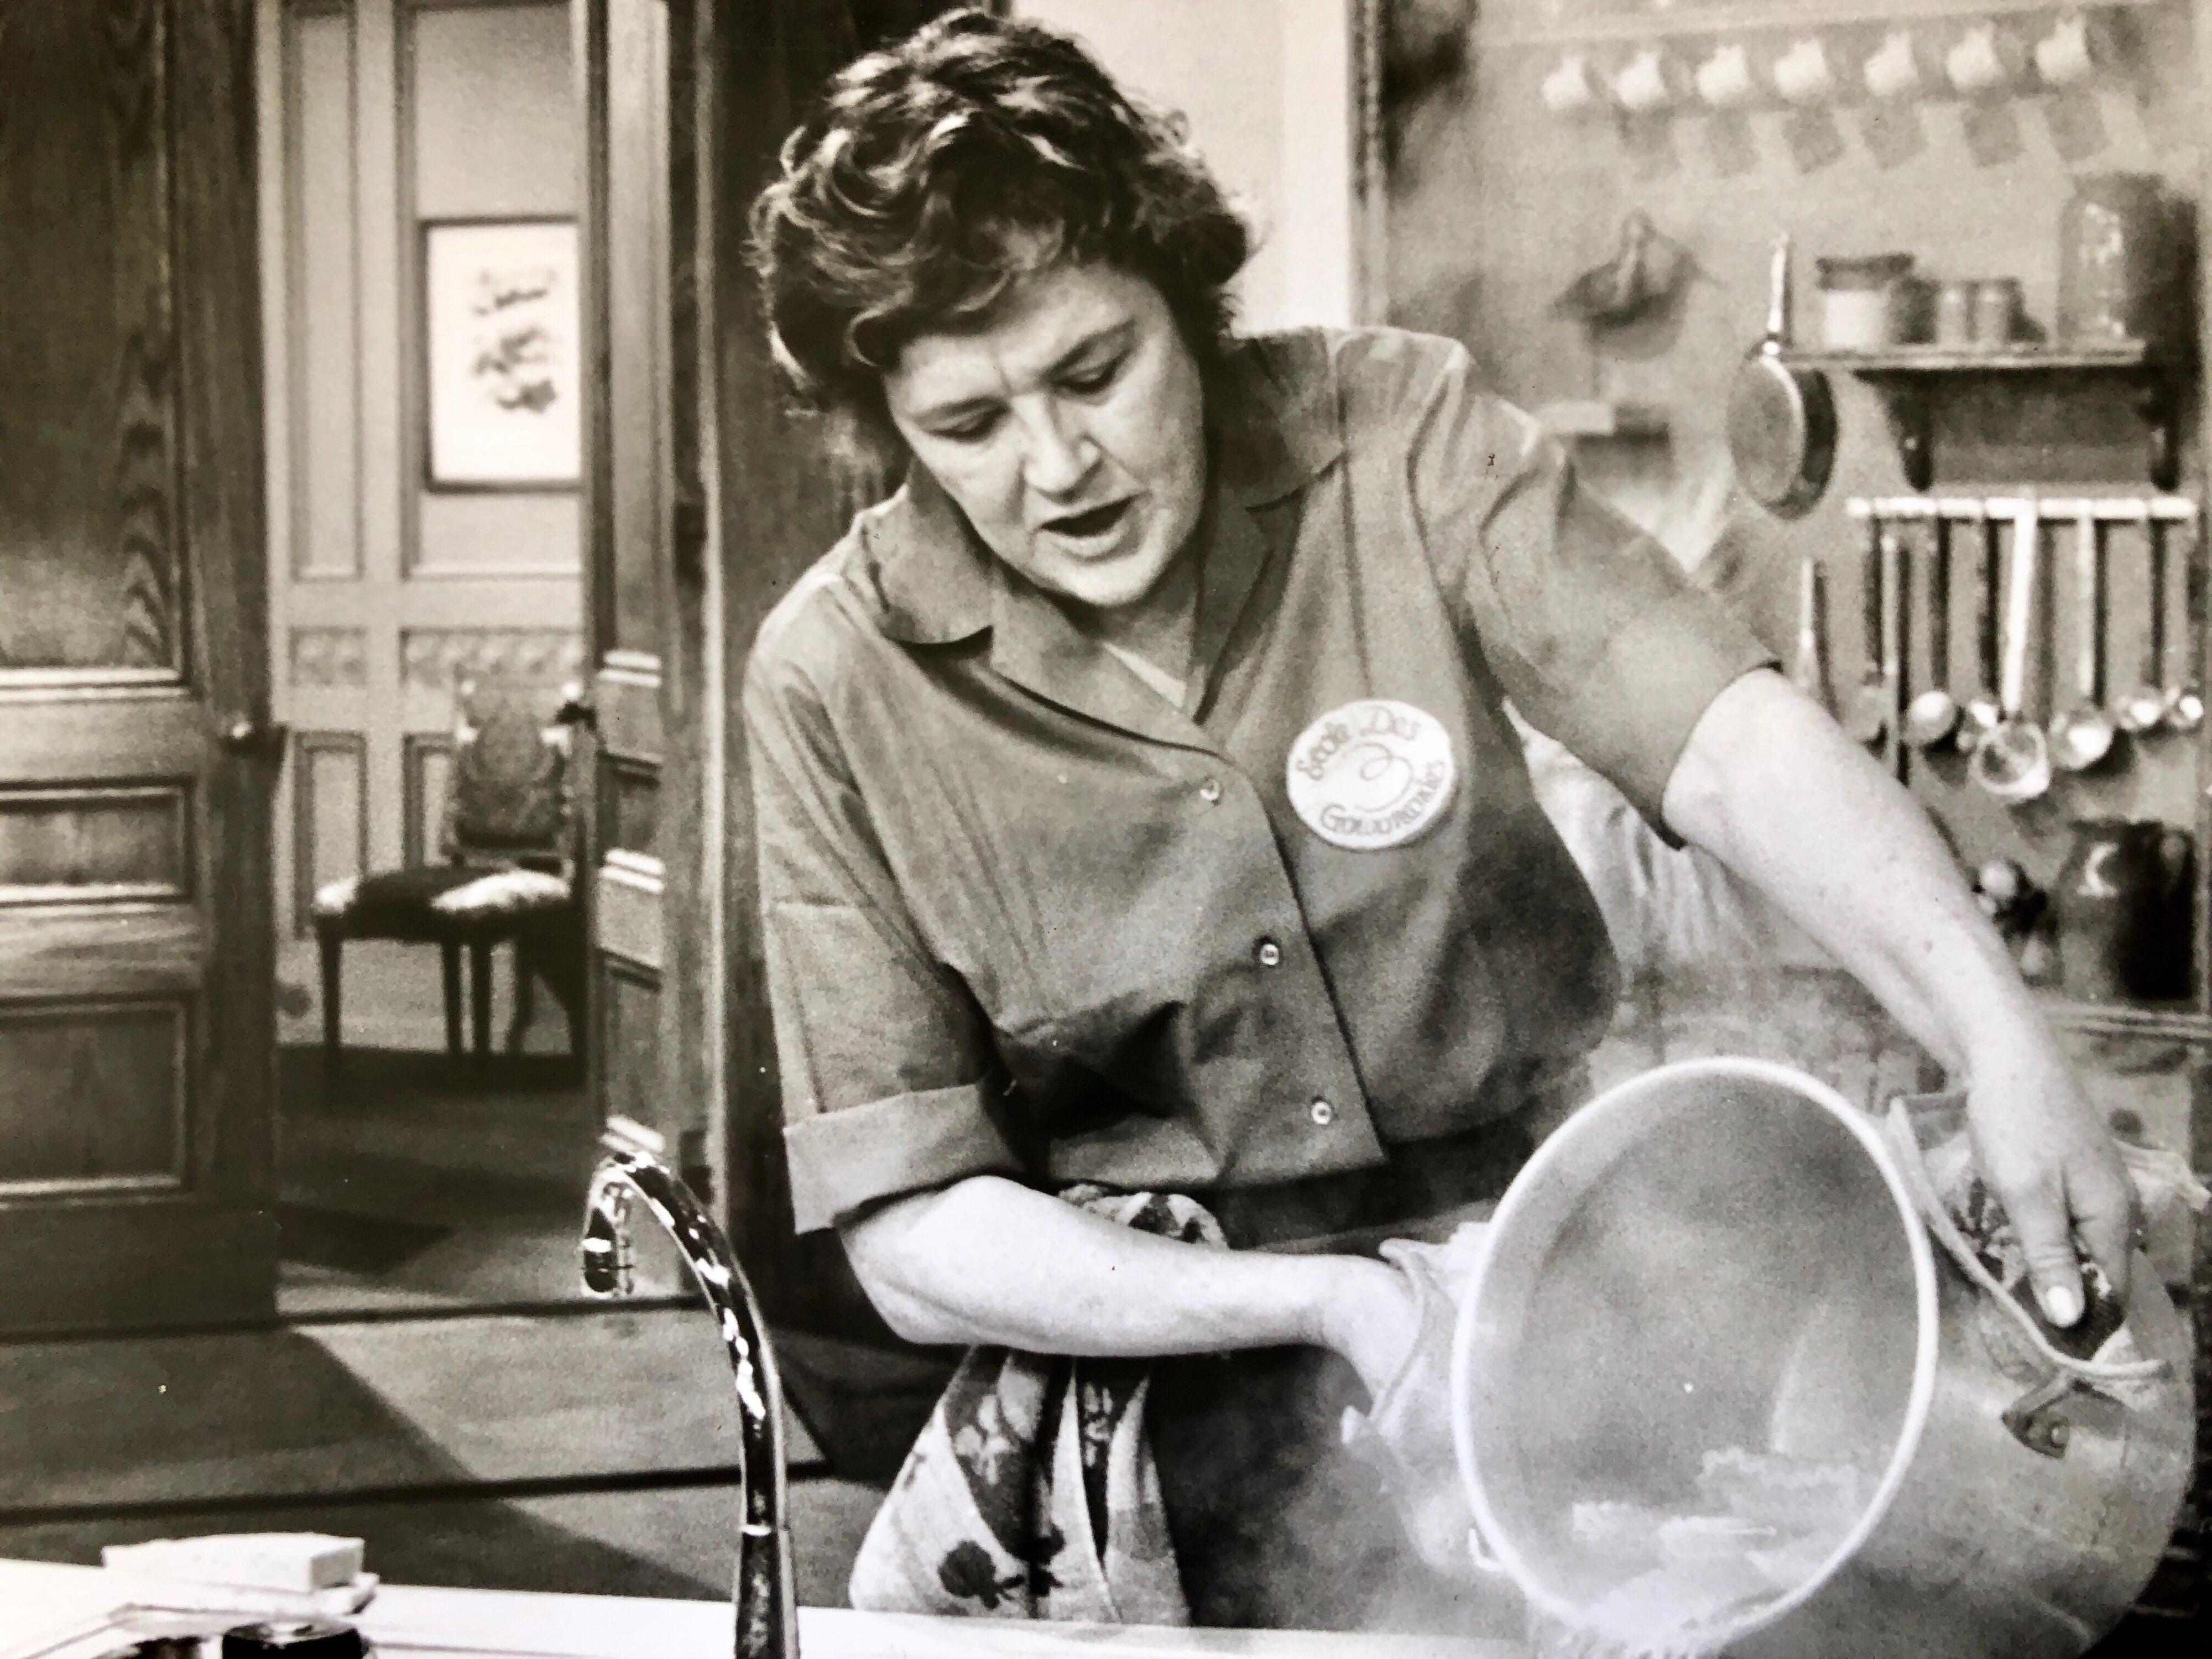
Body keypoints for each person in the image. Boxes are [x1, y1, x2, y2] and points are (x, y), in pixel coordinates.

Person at [742, 8, 2138, 1632]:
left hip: (1581, 1291)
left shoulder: (1395, 436)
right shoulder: (834, 676)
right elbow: (913, 1231)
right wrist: (1340, 1305)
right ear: (885, 429)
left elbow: (1728, 743)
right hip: (1166, 1376)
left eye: (1095, 372)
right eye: (967, 428)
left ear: (1184, 311)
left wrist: (2001, 1038)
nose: (1059, 466)